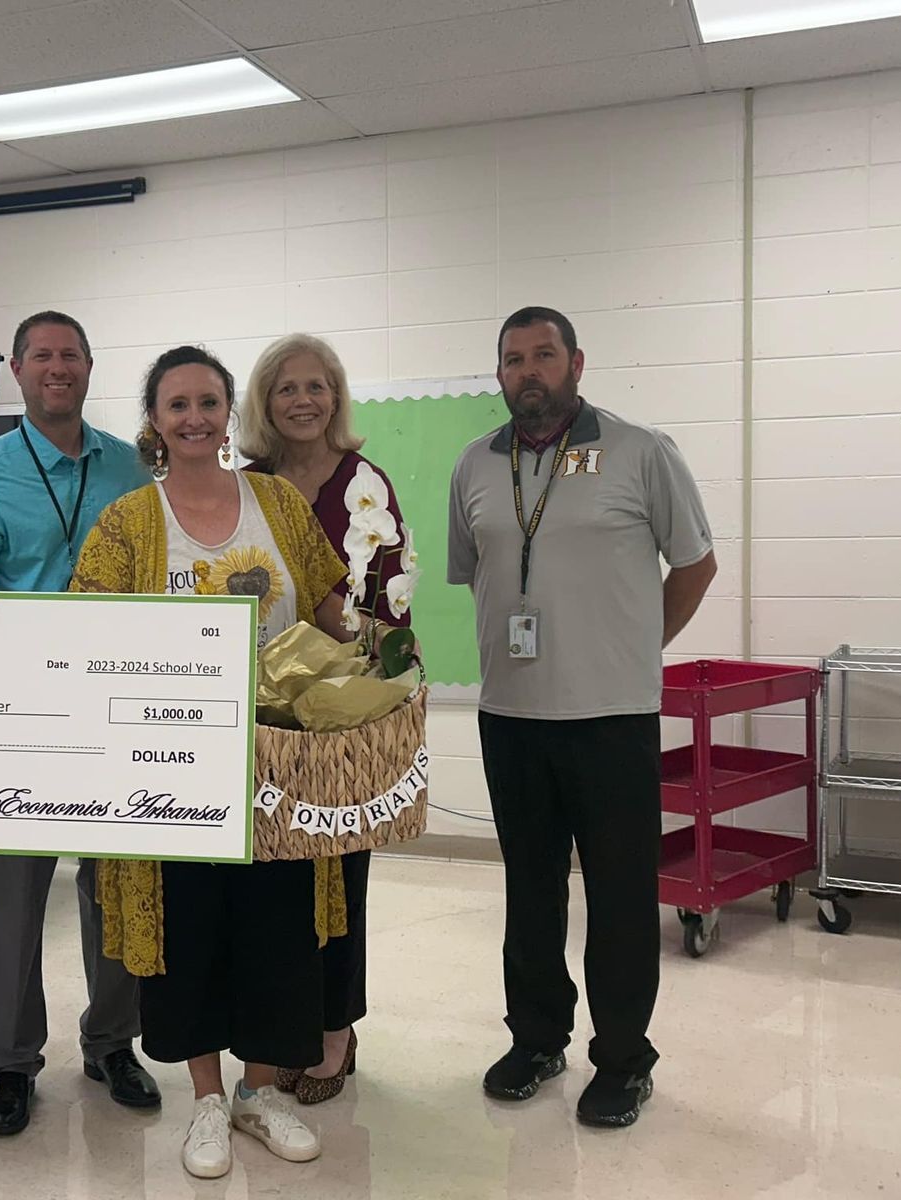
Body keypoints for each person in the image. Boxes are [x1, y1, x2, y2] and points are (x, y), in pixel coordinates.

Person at [72, 345, 355, 1179]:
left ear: (229, 413)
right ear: (155, 422)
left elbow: (332, 604)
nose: (194, 418)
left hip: (279, 768)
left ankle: (258, 1092)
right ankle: (204, 1099)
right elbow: (88, 627)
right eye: (176, 405)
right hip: (174, 769)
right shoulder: (128, 521)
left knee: (275, 930)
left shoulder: (276, 502)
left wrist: (380, 635)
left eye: (208, 402)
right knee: (189, 929)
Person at [447, 306, 717, 1128]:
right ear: (498, 374)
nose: (529, 371)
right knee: (530, 891)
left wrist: (638, 648)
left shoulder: (642, 452)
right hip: (512, 716)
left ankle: (624, 1058)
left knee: (621, 895)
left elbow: (697, 566)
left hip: (611, 718)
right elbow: (474, 572)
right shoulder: (474, 466)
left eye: (545, 355)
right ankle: (536, 1039)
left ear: (577, 363)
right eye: (514, 359)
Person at [0, 311, 158, 1136]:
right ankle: (10, 1063)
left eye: (70, 355)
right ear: (21, 372)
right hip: (21, 717)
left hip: (116, 713)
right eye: (41, 357)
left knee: (119, 885)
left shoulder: (136, 471)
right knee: (16, 897)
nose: (56, 368)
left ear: (91, 368)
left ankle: (111, 1042)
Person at [236, 332, 411, 1105]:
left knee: (342, 875)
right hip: (259, 711)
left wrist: (365, 645)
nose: (303, 401)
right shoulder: (246, 485)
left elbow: (390, 603)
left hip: (339, 714)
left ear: (335, 397)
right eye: (286, 389)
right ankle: (279, 1029)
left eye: (317, 387)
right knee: (271, 888)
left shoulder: (364, 483)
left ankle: (336, 1032)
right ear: (264, 404)